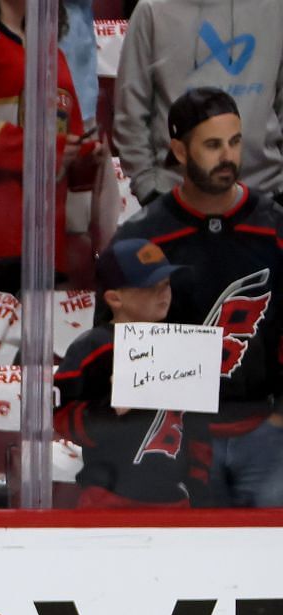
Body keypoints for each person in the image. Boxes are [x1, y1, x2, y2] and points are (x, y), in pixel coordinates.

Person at [117, 89, 283, 507]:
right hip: (179, 440)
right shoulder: (142, 236)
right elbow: (117, 338)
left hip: (267, 437)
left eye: (235, 141)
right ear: (179, 149)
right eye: (212, 145)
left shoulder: (275, 227)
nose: (228, 156)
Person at [0, 0, 99, 295]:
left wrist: (84, 155)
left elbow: (68, 136)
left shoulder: (53, 53)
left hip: (47, 242)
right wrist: (47, 149)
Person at [53, 238, 203, 507]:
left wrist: (197, 482)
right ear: (113, 298)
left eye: (166, 284)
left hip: (173, 500)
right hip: (107, 498)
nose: (164, 293)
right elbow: (60, 419)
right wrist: (109, 408)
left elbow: (197, 422)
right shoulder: (91, 348)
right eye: (150, 287)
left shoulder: (183, 345)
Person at [114, 0, 282, 204]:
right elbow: (131, 112)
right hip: (174, 195)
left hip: (266, 192)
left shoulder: (275, 8)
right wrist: (149, 190)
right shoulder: (151, 10)